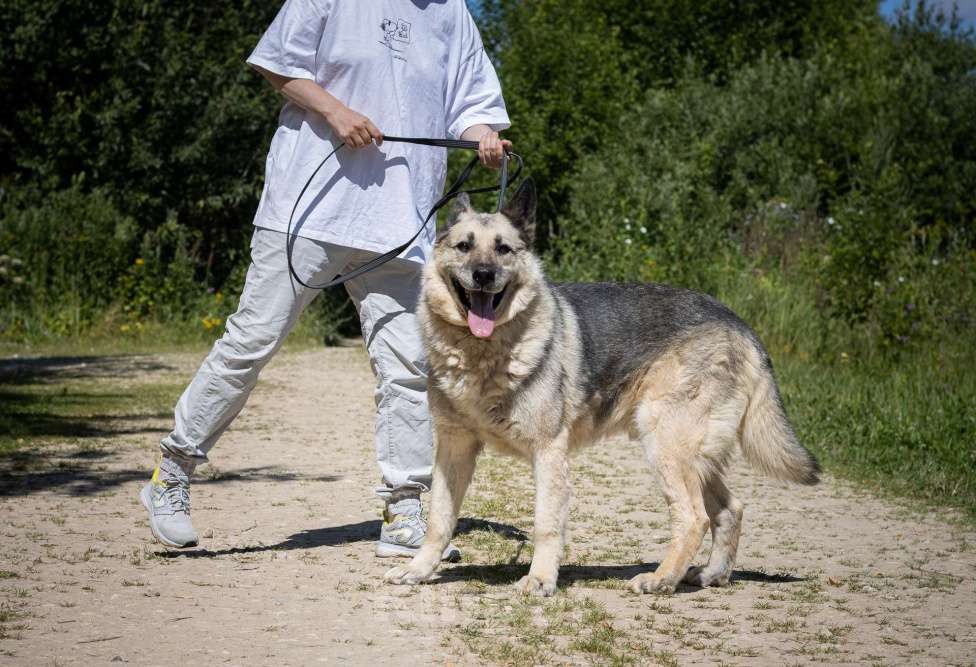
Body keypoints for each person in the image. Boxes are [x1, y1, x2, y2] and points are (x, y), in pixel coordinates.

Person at [140, 0, 511, 560]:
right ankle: (172, 471)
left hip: (402, 221)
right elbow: (276, 64)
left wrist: (484, 137)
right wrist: (336, 112)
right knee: (251, 343)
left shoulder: (451, 11)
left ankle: (404, 509)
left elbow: (470, 104)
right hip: (308, 209)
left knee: (408, 367)